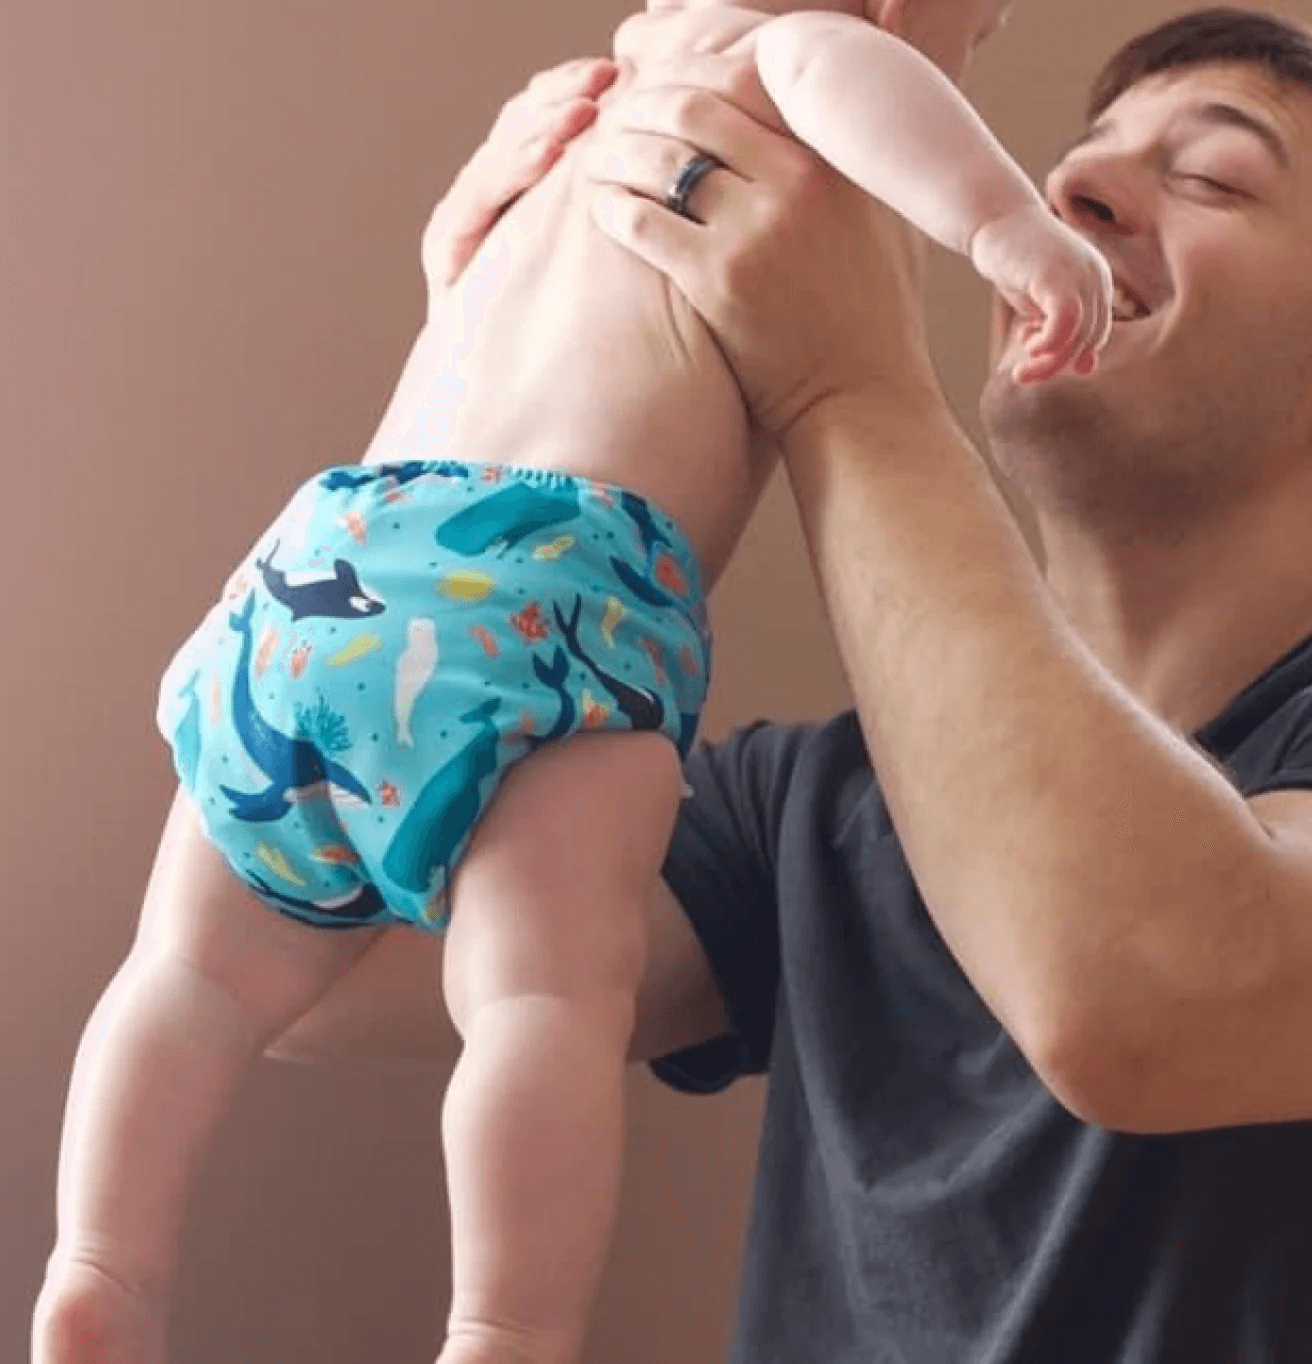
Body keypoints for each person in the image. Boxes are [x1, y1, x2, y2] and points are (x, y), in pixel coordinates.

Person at [30, 2, 1114, 1363]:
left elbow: (472, 285)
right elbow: (856, 89)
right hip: (544, 580)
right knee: (540, 999)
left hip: (326, 562)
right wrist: (1006, 229)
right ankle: (505, 1328)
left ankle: (101, 1263)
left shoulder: (592, 100)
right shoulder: (783, 59)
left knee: (185, 970)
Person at [262, 3, 1312, 1360]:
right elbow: (305, 955)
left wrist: (845, 385)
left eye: (1214, 176)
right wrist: (450, 453)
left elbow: (1135, 992)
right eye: (1085, 152)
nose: (1074, 184)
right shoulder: (807, 816)